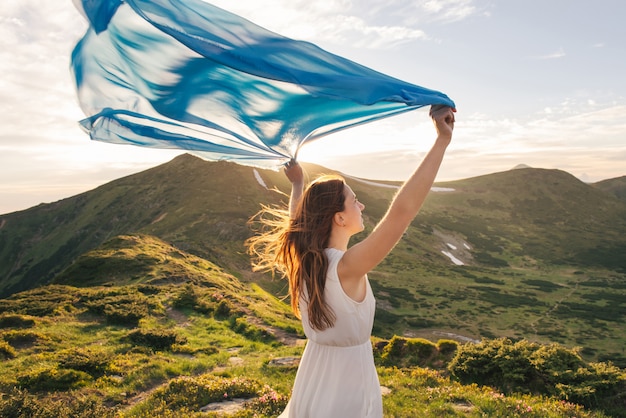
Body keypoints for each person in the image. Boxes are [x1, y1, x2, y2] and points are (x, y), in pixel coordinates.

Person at [246, 105, 455, 417]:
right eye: (353, 200)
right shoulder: (346, 268)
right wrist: (442, 141)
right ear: (339, 218)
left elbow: (296, 223)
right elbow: (402, 212)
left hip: (314, 376)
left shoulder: (306, 261)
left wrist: (298, 184)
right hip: (349, 384)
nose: (362, 204)